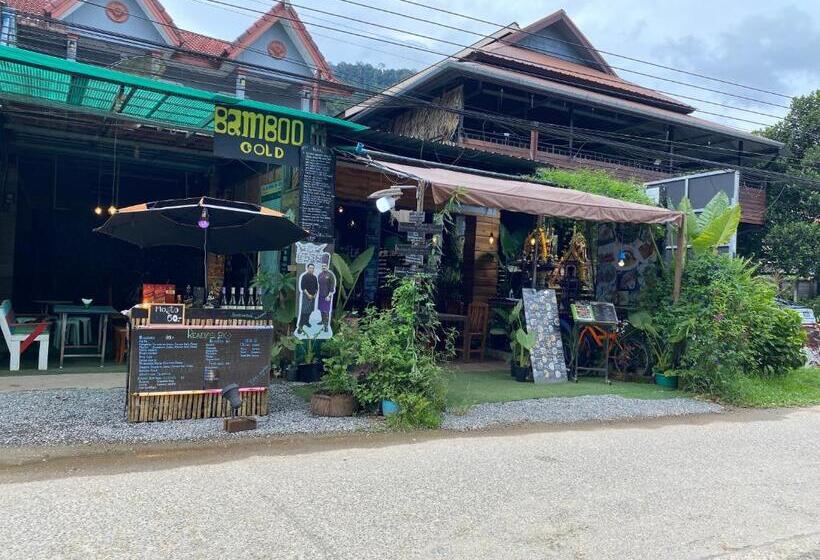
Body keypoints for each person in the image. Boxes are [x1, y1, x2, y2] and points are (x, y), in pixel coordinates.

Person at [317, 254, 336, 332]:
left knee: (326, 310)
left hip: (327, 296)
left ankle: (326, 326)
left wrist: (329, 295)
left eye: (325, 266)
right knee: (321, 309)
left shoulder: (330, 275)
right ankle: (322, 321)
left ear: (327, 266)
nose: (323, 267)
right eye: (322, 266)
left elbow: (332, 286)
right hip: (320, 295)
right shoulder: (320, 275)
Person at [297, 263, 318, 331]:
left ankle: (306, 322)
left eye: (313, 268)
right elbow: (303, 287)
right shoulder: (304, 276)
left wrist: (314, 295)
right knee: (304, 311)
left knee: (310, 311)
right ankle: (300, 326)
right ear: (307, 268)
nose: (311, 269)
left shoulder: (314, 277)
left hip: (313, 296)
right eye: (310, 268)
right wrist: (308, 295)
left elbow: (316, 287)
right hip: (306, 296)